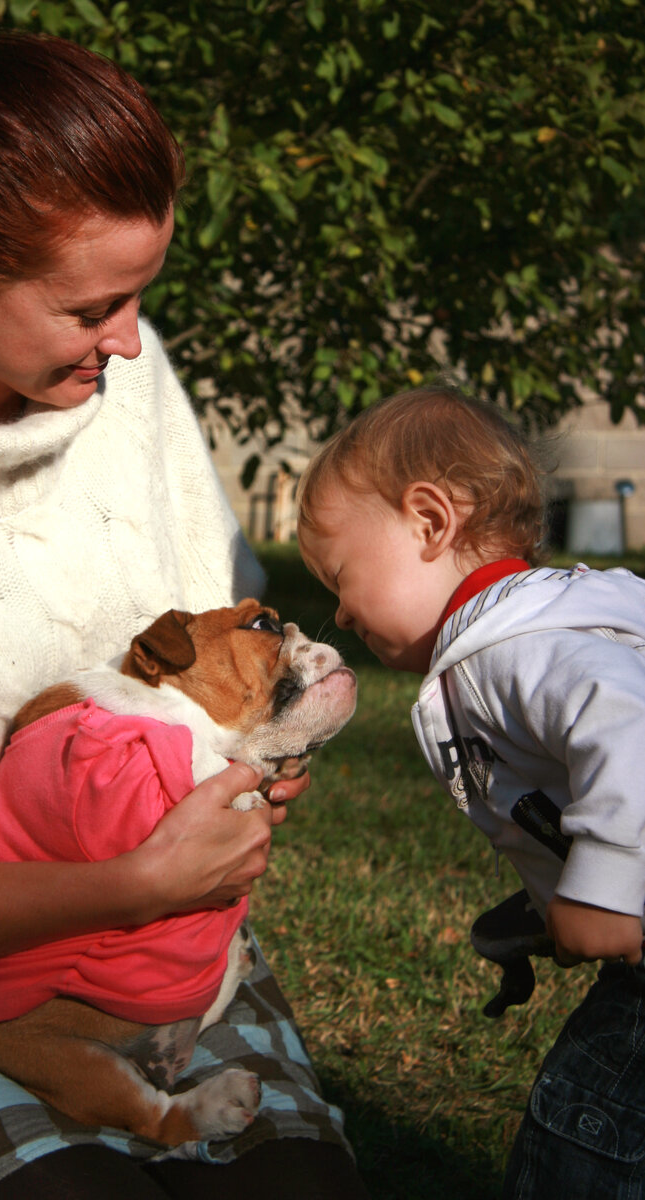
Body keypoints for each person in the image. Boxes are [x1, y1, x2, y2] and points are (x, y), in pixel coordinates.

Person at [0, 2, 369, 1196]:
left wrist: (252, 760)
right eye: (88, 310)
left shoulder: (122, 381)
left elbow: (218, 655)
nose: (125, 344)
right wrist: (126, 884)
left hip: (162, 952)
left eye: (137, 298)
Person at [296, 384, 645, 1200]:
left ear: (428, 522)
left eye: (341, 577)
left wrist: (603, 894)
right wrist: (544, 904)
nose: (340, 614)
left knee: (583, 1137)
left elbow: (628, 730)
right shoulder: (556, 620)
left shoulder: (507, 651)